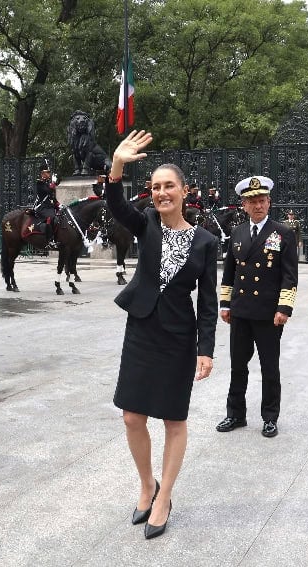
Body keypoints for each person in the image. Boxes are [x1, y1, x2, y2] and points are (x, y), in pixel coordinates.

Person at [105, 130, 218, 540]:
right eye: (155, 187)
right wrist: (118, 165)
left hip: (178, 338)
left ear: (184, 191)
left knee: (173, 419)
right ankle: (146, 484)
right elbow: (116, 204)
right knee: (132, 416)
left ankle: (165, 497)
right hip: (141, 330)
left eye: (169, 186)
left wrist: (206, 350)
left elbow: (208, 301)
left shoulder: (206, 242)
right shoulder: (147, 223)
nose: (161, 193)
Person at [216, 174, 298, 439]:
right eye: (252, 201)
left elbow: (289, 275)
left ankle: (270, 417)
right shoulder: (238, 232)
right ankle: (235, 414)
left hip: (268, 313)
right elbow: (229, 272)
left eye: (262, 200)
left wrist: (284, 308)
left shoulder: (283, 233)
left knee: (269, 368)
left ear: (269, 202)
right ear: (244, 205)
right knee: (238, 366)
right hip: (240, 311)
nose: (258, 205)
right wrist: (225, 304)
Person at [33, 159, 59, 245]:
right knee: (51, 217)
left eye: (49, 172)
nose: (49, 174)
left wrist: (57, 204)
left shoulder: (48, 183)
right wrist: (53, 183)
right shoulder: (40, 183)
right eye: (47, 172)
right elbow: (48, 191)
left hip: (50, 206)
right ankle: (49, 239)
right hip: (43, 207)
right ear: (42, 174)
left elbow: (51, 196)